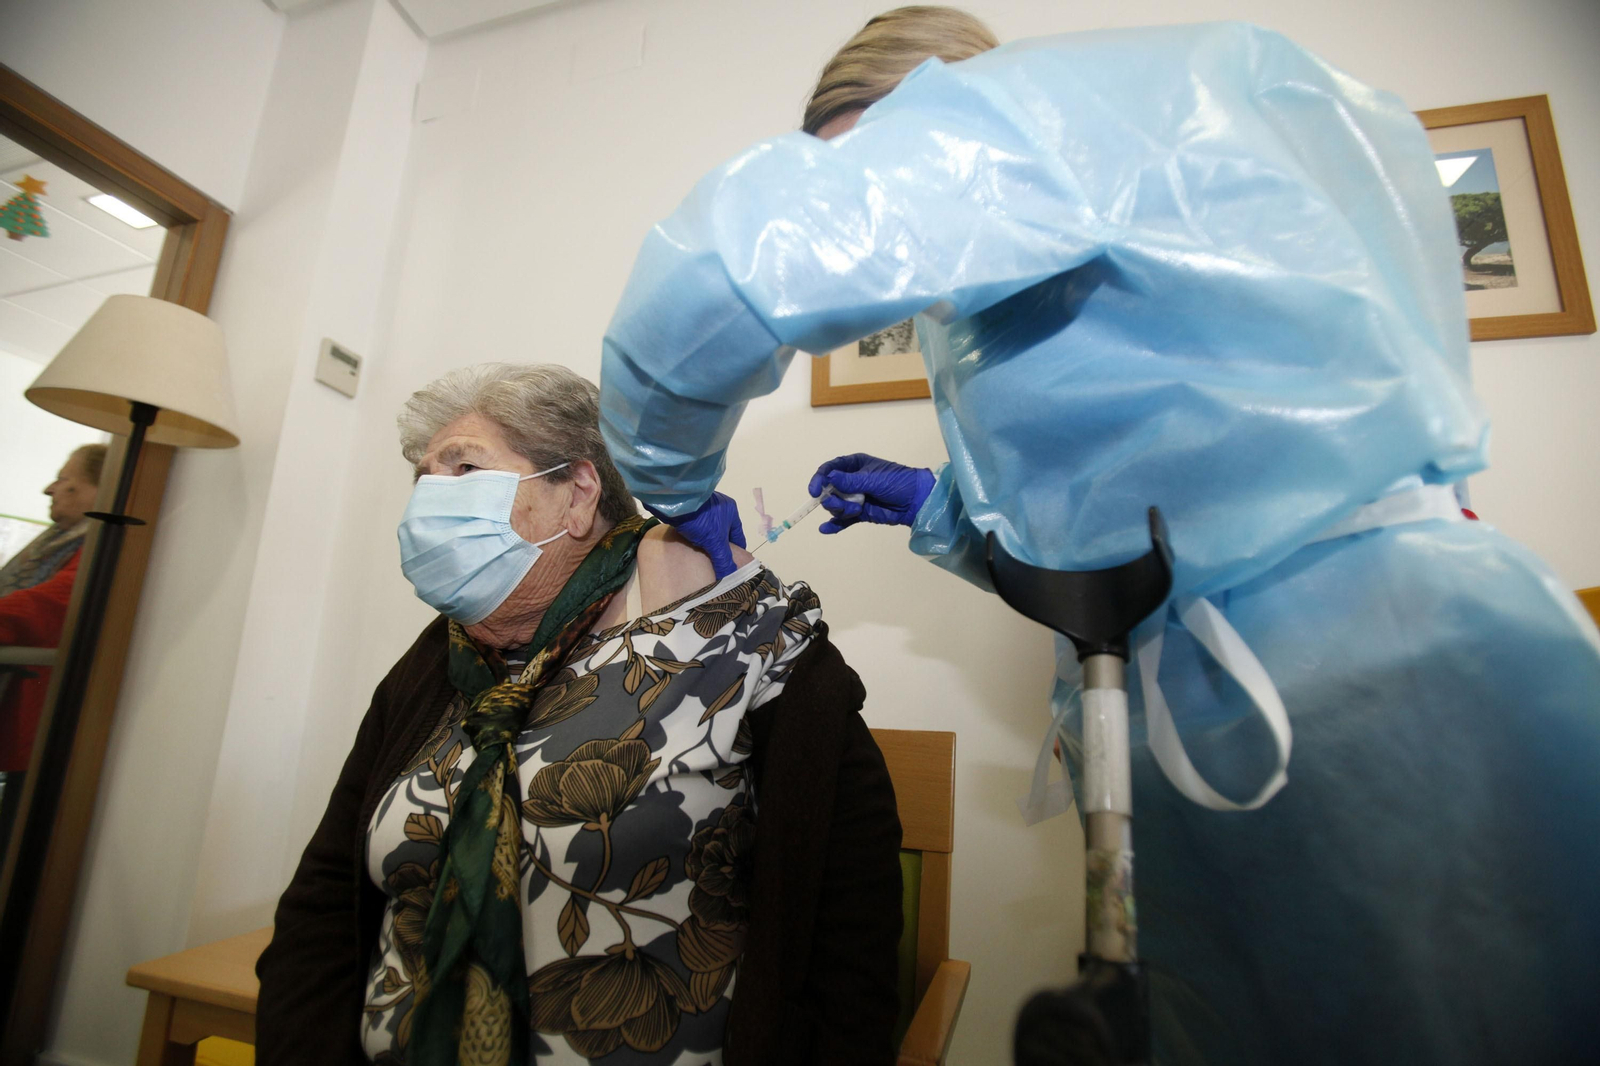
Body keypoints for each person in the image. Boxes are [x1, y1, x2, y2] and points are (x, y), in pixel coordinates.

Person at [596, 8, 1600, 1065]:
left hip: (1371, 687)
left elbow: (712, 285)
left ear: (934, 104)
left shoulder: (1048, 123)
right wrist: (944, 509)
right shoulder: (1093, 209)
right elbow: (1158, 506)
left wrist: (671, 479)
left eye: (866, 162)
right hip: (1247, 689)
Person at [255, 364, 903, 1066]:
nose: (431, 498)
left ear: (579, 494)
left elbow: (849, 934)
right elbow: (323, 901)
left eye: (463, 467)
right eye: (423, 480)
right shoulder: (432, 668)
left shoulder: (729, 632)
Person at [0, 442, 107, 816]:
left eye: (65, 480)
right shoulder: (57, 544)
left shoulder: (101, 545)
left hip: (42, 728)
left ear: (99, 489)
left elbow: (45, 606)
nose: (50, 489)